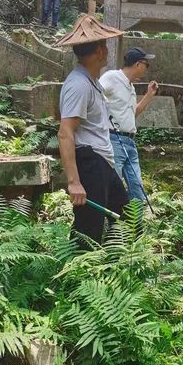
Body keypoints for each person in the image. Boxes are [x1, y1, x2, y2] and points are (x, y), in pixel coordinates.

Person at [56, 14, 133, 246]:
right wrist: (74, 182)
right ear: (99, 52)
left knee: (127, 217)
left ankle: (114, 266)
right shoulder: (78, 84)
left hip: (102, 162)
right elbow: (65, 132)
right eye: (105, 47)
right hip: (89, 162)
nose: (108, 52)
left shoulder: (92, 82)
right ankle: (76, 275)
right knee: (88, 228)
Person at [100, 47, 159, 206]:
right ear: (138, 64)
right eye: (147, 65)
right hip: (114, 140)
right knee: (114, 186)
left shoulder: (130, 86)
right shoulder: (112, 77)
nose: (147, 69)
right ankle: (113, 227)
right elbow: (94, 94)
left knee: (137, 187)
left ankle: (135, 228)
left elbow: (132, 113)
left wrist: (148, 95)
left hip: (130, 142)